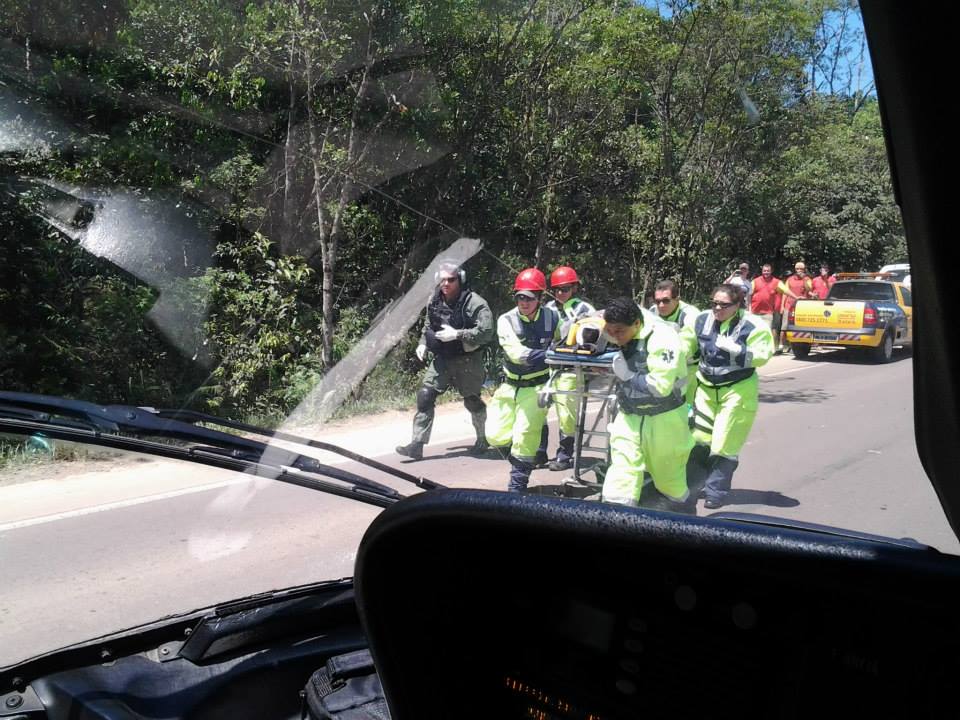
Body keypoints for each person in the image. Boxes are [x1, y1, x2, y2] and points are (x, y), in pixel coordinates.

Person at [396, 261, 494, 461]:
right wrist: (423, 343)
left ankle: (483, 438)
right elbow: (428, 325)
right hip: (442, 358)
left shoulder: (474, 303)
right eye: (442, 280)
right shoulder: (434, 300)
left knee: (472, 401)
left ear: (460, 279)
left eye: (451, 279)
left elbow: (487, 332)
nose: (446, 283)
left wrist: (458, 334)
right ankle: (417, 444)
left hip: (467, 359)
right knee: (425, 396)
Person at [687, 284, 775, 509]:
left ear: (738, 305)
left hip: (737, 390)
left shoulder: (753, 325)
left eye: (724, 305)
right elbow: (685, 343)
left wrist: (739, 350)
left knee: (724, 444)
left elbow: (764, 355)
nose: (717, 308)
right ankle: (693, 486)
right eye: (714, 303)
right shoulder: (702, 319)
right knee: (698, 439)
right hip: (706, 389)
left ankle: (715, 492)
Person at [601, 297, 694, 507]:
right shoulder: (622, 328)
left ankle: (686, 518)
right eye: (611, 332)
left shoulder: (663, 338)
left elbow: (660, 388)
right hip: (629, 416)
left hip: (665, 418)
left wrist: (627, 376)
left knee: (669, 482)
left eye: (619, 332)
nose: (615, 337)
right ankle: (615, 519)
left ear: (636, 323)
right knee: (621, 475)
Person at [486, 268, 561, 492]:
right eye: (520, 297)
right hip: (509, 386)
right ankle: (519, 460)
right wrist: (551, 354)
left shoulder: (552, 317)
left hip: (536, 387)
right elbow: (517, 354)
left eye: (529, 297)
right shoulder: (506, 320)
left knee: (525, 436)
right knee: (495, 436)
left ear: (540, 297)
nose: (524, 302)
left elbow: (563, 343)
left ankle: (517, 485)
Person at [542, 265, 596, 471]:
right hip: (549, 365)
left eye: (564, 289)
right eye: (556, 289)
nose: (560, 293)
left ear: (574, 288)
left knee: (566, 414)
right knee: (537, 409)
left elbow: (593, 338)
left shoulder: (585, 310)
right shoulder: (548, 309)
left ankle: (564, 455)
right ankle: (539, 452)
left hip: (572, 368)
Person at [650, 280, 700, 405]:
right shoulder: (652, 312)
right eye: (657, 301)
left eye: (666, 301)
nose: (661, 305)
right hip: (660, 364)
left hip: (689, 368)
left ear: (677, 299)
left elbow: (688, 343)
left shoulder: (690, 314)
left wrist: (668, 360)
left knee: (684, 405)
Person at [751, 264, 799, 354]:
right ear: (762, 271)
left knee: (766, 332)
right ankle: (755, 349)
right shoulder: (755, 281)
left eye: (768, 271)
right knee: (754, 332)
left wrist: (796, 297)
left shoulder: (776, 282)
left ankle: (767, 350)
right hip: (755, 312)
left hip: (767, 313)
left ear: (771, 271)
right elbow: (748, 293)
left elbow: (786, 290)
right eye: (764, 271)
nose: (766, 272)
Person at [780, 261, 815, 352]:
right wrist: (782, 306)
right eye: (797, 269)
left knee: (798, 328)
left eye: (801, 269)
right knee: (784, 327)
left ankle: (795, 346)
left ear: (804, 270)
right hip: (789, 306)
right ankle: (781, 346)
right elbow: (785, 292)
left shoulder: (807, 279)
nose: (799, 270)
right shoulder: (790, 279)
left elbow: (809, 290)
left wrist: (804, 280)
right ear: (795, 269)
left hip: (801, 308)